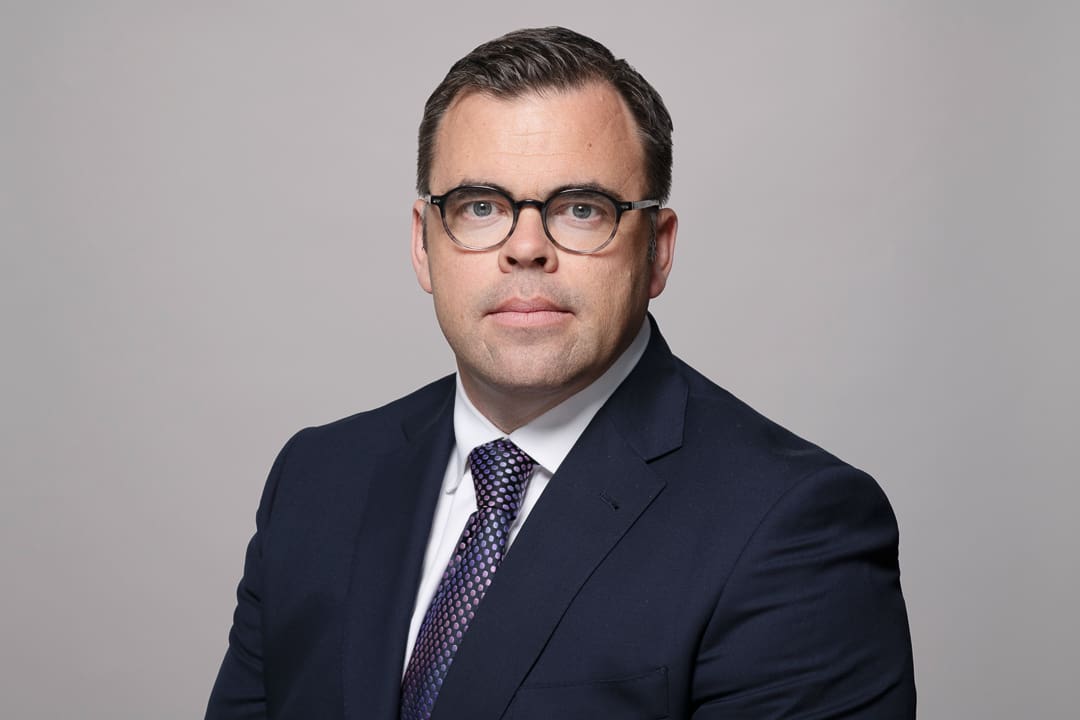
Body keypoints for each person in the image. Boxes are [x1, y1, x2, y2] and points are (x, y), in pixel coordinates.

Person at [206, 26, 915, 720]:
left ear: (658, 252)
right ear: (423, 245)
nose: (525, 247)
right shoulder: (316, 480)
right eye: (480, 207)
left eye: (582, 209)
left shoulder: (793, 528)